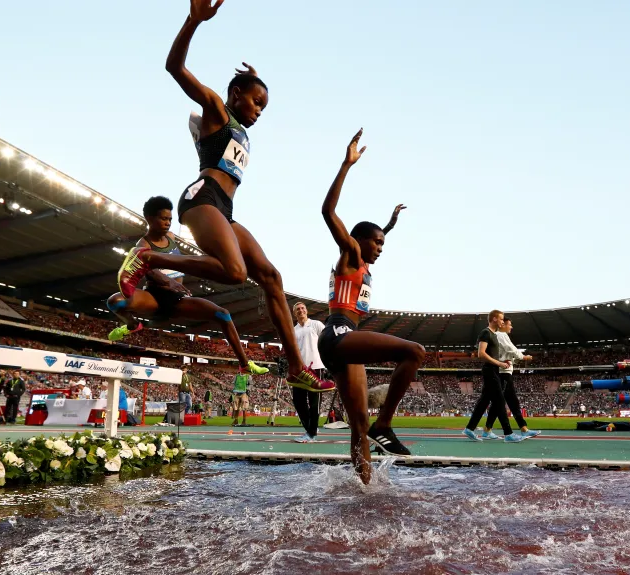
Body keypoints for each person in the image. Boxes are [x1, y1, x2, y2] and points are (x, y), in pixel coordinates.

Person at [138, 0, 333, 394]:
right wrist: (193, 21)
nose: (260, 111)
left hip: (224, 208)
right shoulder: (216, 109)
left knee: (272, 277)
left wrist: (255, 80)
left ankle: (297, 368)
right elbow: (174, 67)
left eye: (264, 106)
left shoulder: (240, 125)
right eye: (256, 102)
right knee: (234, 272)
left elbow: (245, 98)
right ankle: (149, 258)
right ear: (235, 93)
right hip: (202, 197)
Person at [316, 129, 424, 484]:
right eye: (376, 243)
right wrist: (346, 165)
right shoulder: (349, 254)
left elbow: (376, 234)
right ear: (358, 241)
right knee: (414, 352)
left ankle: (364, 488)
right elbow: (328, 211)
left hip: (347, 342)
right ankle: (386, 424)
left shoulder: (362, 262)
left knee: (358, 424)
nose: (380, 248)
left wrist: (389, 224)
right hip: (338, 334)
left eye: (383, 243)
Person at [106, 196, 270, 377]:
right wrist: (168, 281)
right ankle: (132, 325)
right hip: (154, 298)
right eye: (163, 219)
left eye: (170, 219)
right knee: (115, 302)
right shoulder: (143, 244)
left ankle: (244, 364)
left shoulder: (171, 237)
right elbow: (149, 271)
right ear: (150, 219)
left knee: (222, 314)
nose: (168, 223)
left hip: (178, 300)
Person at [462, 310, 527, 443]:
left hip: (495, 370)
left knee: (484, 402)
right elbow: (481, 353)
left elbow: (494, 355)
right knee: (500, 401)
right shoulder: (486, 333)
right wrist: (499, 363)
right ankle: (508, 434)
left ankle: (469, 428)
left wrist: (503, 362)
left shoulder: (494, 335)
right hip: (490, 370)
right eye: (501, 319)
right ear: (494, 319)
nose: (503, 321)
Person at [484, 318, 540, 440]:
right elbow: (511, 349)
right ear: (502, 324)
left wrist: (516, 359)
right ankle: (522, 429)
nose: (511, 327)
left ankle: (488, 430)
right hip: (503, 373)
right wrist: (523, 357)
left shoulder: (498, 335)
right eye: (510, 324)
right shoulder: (501, 335)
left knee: (502, 403)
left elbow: (507, 354)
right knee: (510, 402)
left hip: (504, 372)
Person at [291, 302, 325, 442]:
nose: (301, 310)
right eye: (298, 309)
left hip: (316, 367)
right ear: (295, 313)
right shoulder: (293, 330)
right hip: (300, 370)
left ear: (306, 310)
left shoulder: (316, 324)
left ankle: (311, 434)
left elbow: (327, 340)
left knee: (314, 402)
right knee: (298, 401)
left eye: (303, 308)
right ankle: (311, 428)